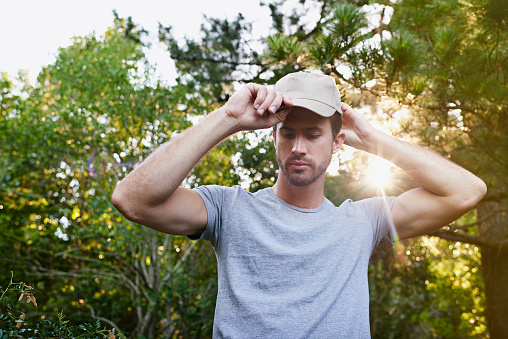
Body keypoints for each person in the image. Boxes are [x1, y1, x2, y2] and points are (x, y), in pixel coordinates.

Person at [112, 71, 487, 338]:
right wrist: (228, 118)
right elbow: (132, 200)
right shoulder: (228, 209)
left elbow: (465, 191)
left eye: (313, 134)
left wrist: (374, 139)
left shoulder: (364, 221)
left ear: (337, 141)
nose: (298, 148)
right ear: (273, 136)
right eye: (288, 133)